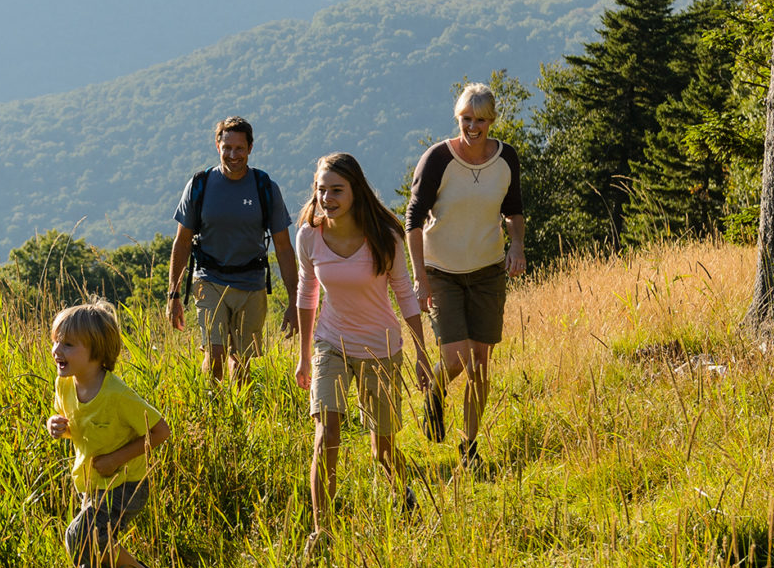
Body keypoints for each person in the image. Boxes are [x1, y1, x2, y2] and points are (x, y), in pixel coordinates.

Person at [295, 152, 435, 537]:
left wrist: (422, 356)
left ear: (356, 191)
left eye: (336, 190)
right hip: (330, 343)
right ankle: (321, 532)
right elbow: (306, 292)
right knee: (327, 435)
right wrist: (305, 357)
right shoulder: (309, 233)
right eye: (321, 190)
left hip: (379, 346)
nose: (327, 198)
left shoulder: (383, 237)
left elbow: (405, 295)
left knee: (382, 451)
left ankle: (406, 494)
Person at [405, 82, 526, 473]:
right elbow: (412, 220)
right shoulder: (437, 159)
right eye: (465, 119)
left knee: (480, 363)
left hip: (488, 270)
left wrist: (517, 245)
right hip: (443, 272)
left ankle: (469, 447)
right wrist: (420, 278)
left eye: (479, 120)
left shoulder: (506, 158)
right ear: (457, 118)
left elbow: (514, 209)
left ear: (491, 121)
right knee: (455, 359)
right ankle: (436, 396)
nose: (471, 127)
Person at [45, 297, 171, 568]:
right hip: (90, 483)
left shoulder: (117, 393)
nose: (57, 349)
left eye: (68, 344)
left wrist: (117, 458)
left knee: (81, 535)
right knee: (90, 566)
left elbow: (160, 431)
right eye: (56, 340)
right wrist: (56, 425)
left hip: (125, 484)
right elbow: (70, 420)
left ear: (98, 352)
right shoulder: (65, 384)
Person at [166, 116, 297, 383]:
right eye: (227, 147)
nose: (233, 154)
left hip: (251, 283)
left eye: (239, 148)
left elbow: (283, 247)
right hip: (209, 279)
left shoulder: (265, 188)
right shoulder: (199, 185)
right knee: (215, 353)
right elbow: (181, 242)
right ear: (217, 146)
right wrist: (174, 294)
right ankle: (212, 413)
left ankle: (238, 419)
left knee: (242, 359)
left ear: (250, 148)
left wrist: (295, 300)